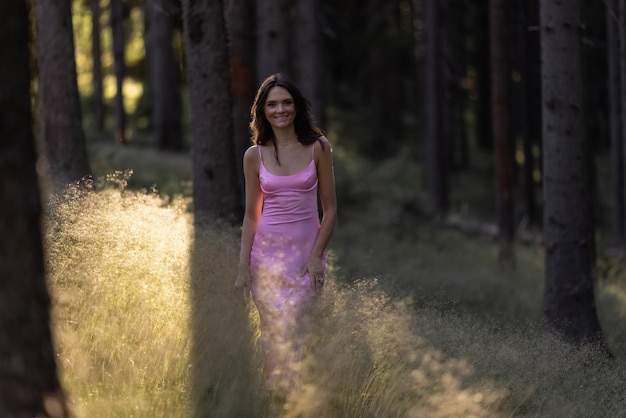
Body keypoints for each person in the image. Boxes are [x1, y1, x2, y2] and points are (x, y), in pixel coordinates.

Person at [234, 73, 337, 399]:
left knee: (297, 326)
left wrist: (316, 258)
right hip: (265, 256)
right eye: (273, 104)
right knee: (271, 329)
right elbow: (251, 216)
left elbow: (331, 210)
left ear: (297, 106)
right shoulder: (254, 155)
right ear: (263, 111)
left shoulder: (318, 148)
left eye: (287, 102)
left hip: (306, 257)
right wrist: (242, 269)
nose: (281, 110)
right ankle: (276, 395)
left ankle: (293, 391)